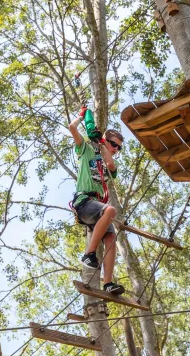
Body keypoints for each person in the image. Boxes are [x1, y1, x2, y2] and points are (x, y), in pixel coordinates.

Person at [68, 106, 125, 295]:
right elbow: (72, 128)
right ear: (106, 140)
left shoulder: (109, 166)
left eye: (119, 147)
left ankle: (108, 283)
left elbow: (110, 164)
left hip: (96, 207)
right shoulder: (86, 150)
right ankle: (88, 255)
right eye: (114, 144)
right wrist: (81, 116)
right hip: (84, 201)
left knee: (110, 237)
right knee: (110, 211)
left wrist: (102, 144)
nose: (116, 149)